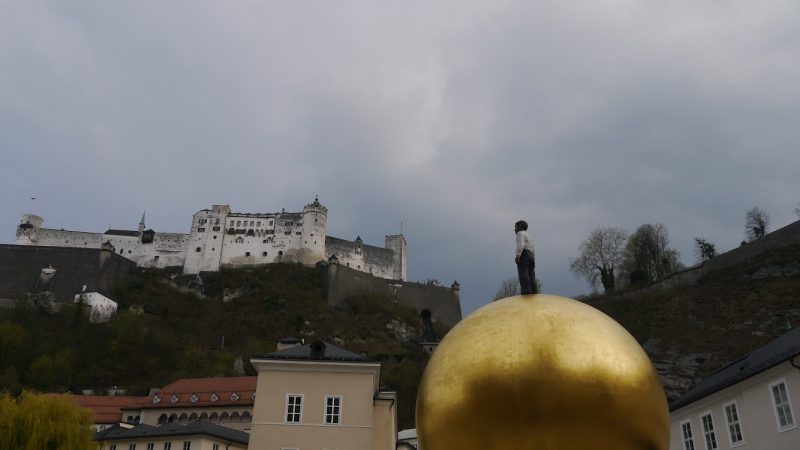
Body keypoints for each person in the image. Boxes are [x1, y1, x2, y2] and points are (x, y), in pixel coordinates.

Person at [514, 220, 537, 295]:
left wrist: (518, 255)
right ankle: (534, 290)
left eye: (516, 228)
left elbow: (520, 244)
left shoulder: (520, 234)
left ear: (520, 227)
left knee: (523, 273)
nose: (515, 230)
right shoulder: (528, 235)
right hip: (531, 255)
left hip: (524, 254)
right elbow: (533, 248)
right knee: (531, 274)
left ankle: (526, 291)